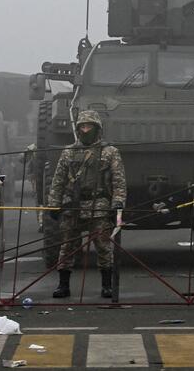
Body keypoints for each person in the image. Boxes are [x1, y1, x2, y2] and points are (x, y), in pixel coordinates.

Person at [48, 110, 127, 299]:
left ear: (97, 128)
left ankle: (107, 286)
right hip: (72, 206)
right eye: (82, 126)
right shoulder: (69, 152)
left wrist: (117, 202)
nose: (85, 130)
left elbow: (119, 181)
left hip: (98, 205)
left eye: (89, 126)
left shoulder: (110, 152)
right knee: (67, 247)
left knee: (103, 246)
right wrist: (54, 204)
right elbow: (58, 180)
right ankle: (63, 285)